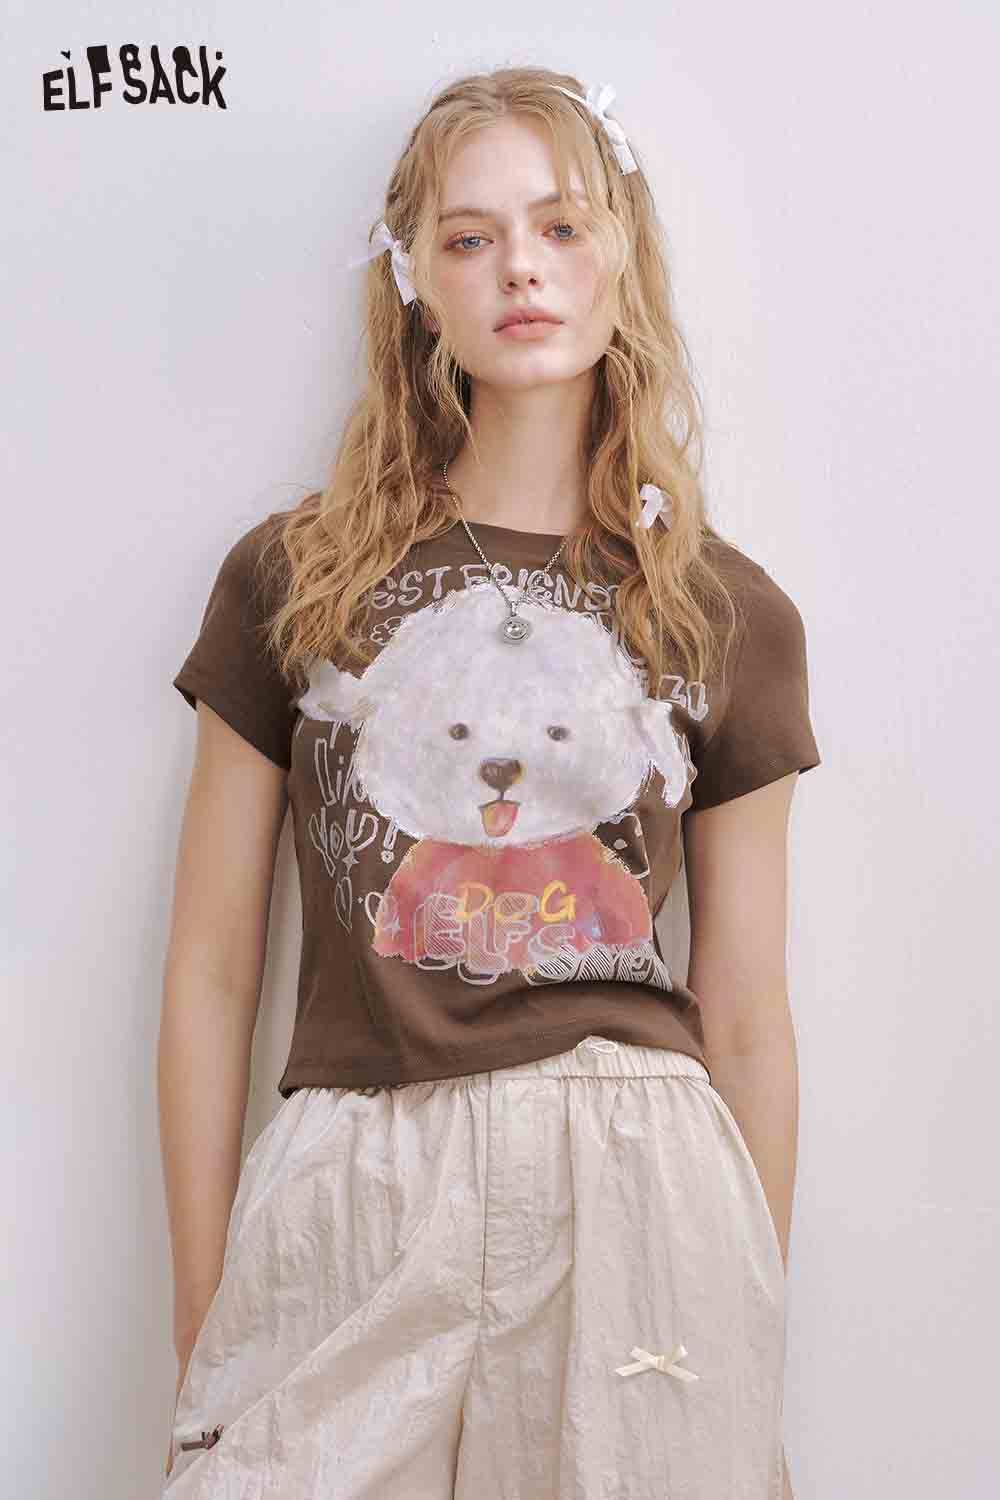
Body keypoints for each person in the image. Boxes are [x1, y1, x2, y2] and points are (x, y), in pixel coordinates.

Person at [159, 64, 821, 1500]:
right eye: (471, 236)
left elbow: (748, 1013)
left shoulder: (726, 612)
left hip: (634, 1184)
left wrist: (744, 1333)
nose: (521, 265)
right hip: (358, 1175)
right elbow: (211, 970)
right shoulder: (294, 579)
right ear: (416, 283)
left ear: (620, 257)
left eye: (561, 225)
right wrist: (203, 1320)